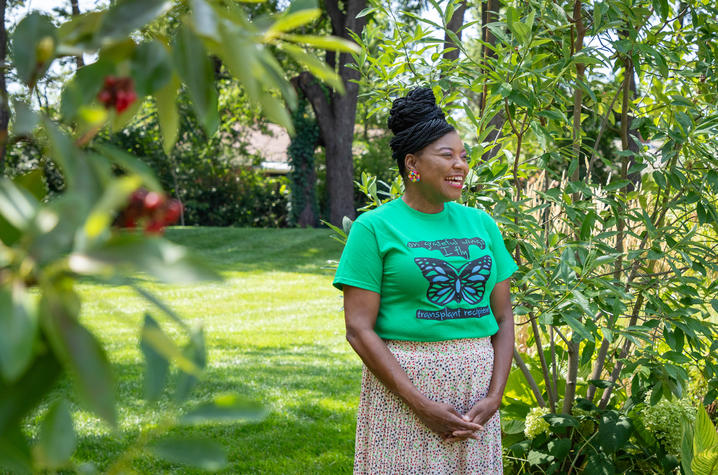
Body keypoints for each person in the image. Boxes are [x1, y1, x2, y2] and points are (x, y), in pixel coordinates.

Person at [332, 87, 517, 474]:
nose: (461, 165)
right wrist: (420, 405)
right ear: (412, 163)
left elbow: (503, 317)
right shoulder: (374, 228)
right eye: (447, 155)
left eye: (464, 157)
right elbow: (358, 329)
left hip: (476, 400)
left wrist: (495, 397)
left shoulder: (481, 224)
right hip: (404, 399)